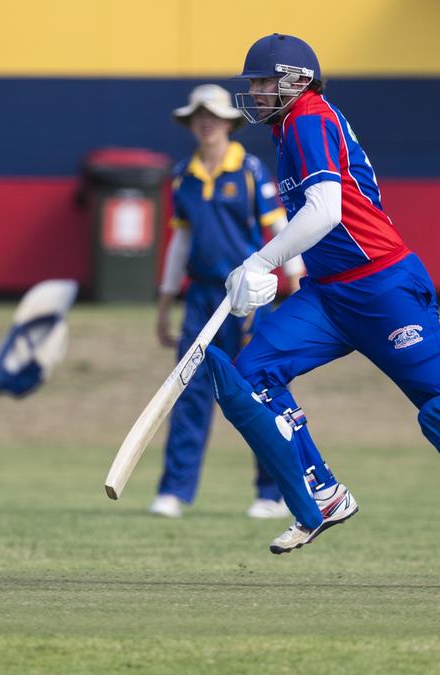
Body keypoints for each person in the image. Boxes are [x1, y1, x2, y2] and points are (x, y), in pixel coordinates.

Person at [208, 34, 440, 588]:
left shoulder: (309, 117)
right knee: (251, 375)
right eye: (255, 85)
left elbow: (326, 212)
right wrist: (275, 270)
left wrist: (260, 263)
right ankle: (322, 493)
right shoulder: (288, 129)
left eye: (264, 83)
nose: (256, 94)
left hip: (383, 288)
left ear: (295, 80)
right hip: (329, 294)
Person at [149, 83, 303, 521]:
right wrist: (164, 303)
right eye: (198, 114)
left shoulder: (251, 170)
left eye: (213, 113)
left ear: (229, 123)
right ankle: (175, 491)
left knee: (260, 390)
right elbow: (180, 241)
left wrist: (296, 281)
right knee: (189, 391)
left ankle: (273, 493)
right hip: (200, 297)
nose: (206, 120)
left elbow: (282, 228)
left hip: (250, 298)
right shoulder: (184, 175)